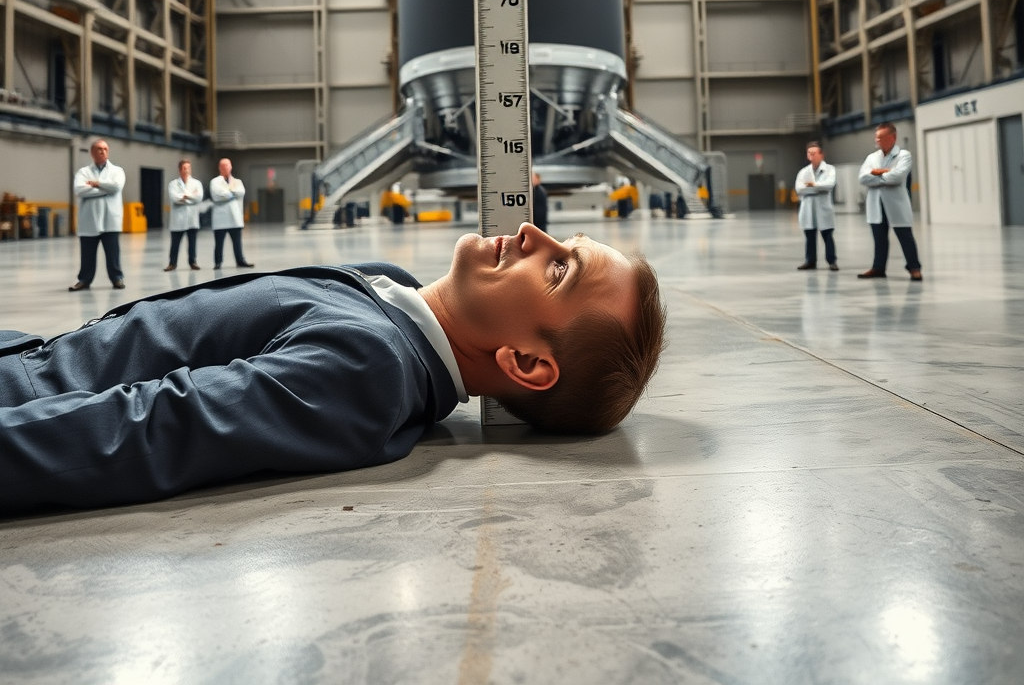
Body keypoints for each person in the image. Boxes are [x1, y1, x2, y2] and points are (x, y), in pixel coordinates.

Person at [0, 225, 666, 513]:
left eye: (557, 268)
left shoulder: (371, 368)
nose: (531, 233)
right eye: (563, 239)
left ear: (525, 362)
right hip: (32, 355)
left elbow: (157, 425)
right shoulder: (390, 293)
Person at [857, 122, 922, 281]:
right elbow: (863, 178)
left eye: (880, 137)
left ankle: (914, 268)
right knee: (879, 239)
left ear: (892, 138)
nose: (877, 140)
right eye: (876, 137)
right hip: (876, 204)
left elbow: (898, 177)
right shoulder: (872, 158)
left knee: (905, 236)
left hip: (896, 204)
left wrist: (876, 176)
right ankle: (878, 268)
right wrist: (884, 174)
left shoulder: (903, 155)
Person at [69, 140, 126, 291]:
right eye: (99, 149)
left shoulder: (117, 171)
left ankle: (117, 278)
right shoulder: (83, 172)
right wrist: (105, 188)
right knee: (87, 254)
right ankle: (84, 280)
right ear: (92, 153)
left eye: (105, 149)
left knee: (113, 253)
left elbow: (117, 187)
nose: (103, 152)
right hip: (89, 220)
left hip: (110, 220)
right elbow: (79, 190)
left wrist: (95, 184)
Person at [795, 141, 838, 271]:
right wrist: (819, 187)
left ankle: (832, 261)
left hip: (823, 208)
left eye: (814, 153)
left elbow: (829, 185)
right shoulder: (803, 172)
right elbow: (799, 189)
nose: (811, 156)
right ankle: (810, 261)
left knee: (827, 235)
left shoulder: (830, 170)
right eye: (809, 153)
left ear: (821, 154)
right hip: (808, 209)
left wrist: (813, 185)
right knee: (810, 236)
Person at [209, 158, 253, 270]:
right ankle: (218, 262)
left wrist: (227, 193)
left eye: (227, 166)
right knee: (219, 243)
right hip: (221, 218)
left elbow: (241, 193)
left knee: (237, 243)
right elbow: (217, 196)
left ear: (231, 167)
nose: (226, 168)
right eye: (223, 166)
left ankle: (240, 261)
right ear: (220, 168)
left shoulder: (237, 182)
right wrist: (232, 193)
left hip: (235, 218)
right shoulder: (214, 182)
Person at [166, 160, 204, 271]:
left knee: (192, 242)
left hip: (192, 218)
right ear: (179, 170)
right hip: (178, 219)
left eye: (188, 168)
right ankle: (172, 263)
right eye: (184, 168)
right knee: (175, 243)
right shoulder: (173, 184)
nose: (186, 170)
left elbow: (199, 198)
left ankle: (193, 262)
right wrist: (191, 196)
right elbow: (175, 199)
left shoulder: (196, 183)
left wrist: (184, 197)